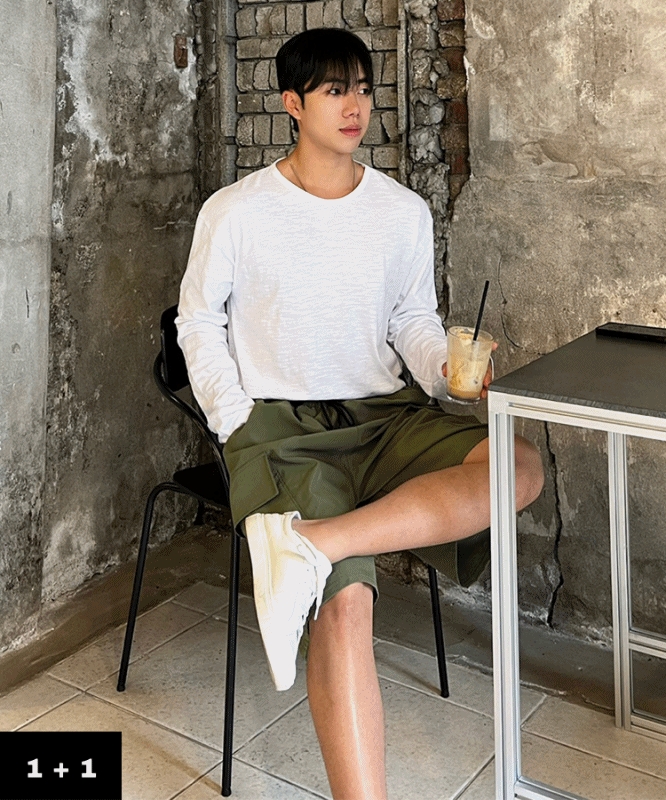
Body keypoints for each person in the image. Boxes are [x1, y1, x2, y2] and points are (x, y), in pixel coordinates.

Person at [176, 27, 544, 800]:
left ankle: (310, 544)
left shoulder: (400, 211)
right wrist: (235, 420)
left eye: (364, 90)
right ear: (292, 103)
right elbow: (197, 322)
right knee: (346, 606)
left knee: (518, 465)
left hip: (385, 415)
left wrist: (443, 367)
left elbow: (410, 318)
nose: (356, 107)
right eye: (335, 90)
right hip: (280, 427)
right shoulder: (236, 211)